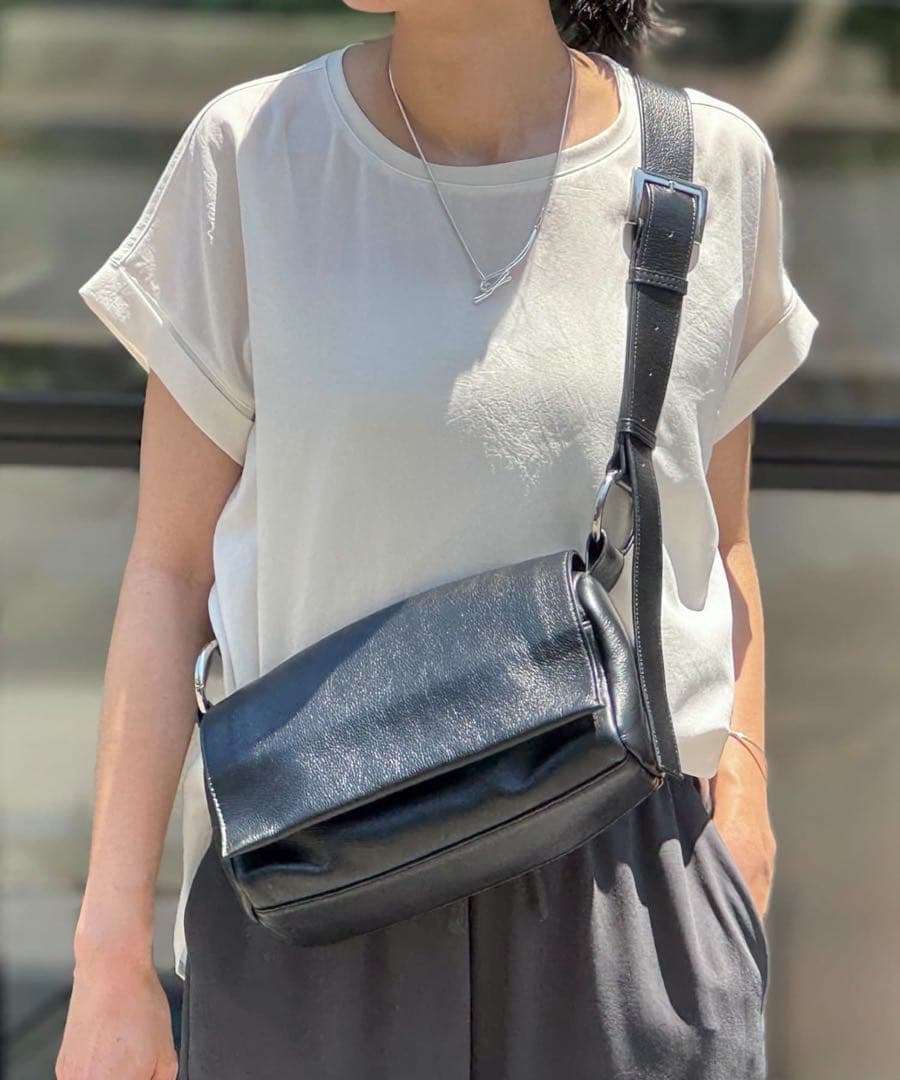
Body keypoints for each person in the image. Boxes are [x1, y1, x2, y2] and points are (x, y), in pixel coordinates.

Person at [58, 0, 819, 1076]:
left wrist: (743, 817)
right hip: (310, 882)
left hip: (619, 885)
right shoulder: (252, 156)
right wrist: (107, 952)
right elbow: (168, 572)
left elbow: (721, 541)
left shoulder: (706, 169)